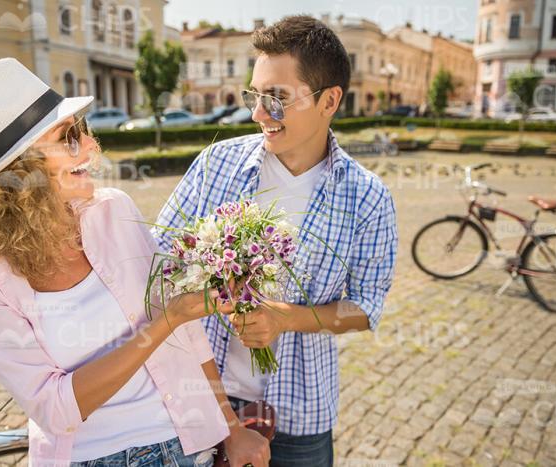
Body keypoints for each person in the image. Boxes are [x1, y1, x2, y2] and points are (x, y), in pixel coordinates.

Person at [0, 58, 270, 467]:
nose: (92, 147)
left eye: (83, 130)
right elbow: (55, 410)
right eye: (69, 137)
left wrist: (232, 429)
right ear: (18, 173)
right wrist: (169, 318)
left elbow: (190, 340)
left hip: (190, 447)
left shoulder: (114, 210)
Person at [155, 16, 398, 467]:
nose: (258, 113)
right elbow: (159, 258)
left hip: (300, 414)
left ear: (330, 100)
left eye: (278, 98)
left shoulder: (368, 197)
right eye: (255, 95)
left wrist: (285, 318)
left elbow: (365, 309)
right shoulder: (216, 164)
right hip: (199, 399)